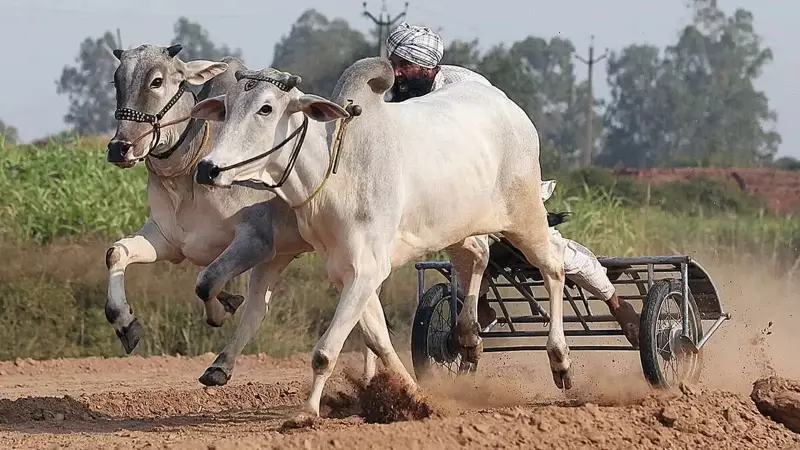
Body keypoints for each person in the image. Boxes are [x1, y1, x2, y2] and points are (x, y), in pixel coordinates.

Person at [385, 22, 641, 347]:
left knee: (547, 247)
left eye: (403, 65)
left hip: (503, 178)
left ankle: (617, 304)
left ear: (426, 66)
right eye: (394, 62)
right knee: (456, 241)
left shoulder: (458, 92)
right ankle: (482, 308)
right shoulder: (402, 95)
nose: (396, 71)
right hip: (460, 190)